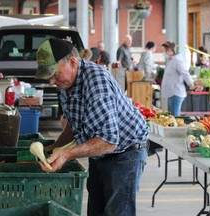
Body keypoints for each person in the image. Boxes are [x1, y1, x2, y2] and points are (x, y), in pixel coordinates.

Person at [36, 38, 149, 216]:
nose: (51, 81)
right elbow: (74, 123)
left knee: (117, 212)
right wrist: (56, 146)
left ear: (72, 62)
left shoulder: (96, 82)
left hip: (125, 153)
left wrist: (67, 154)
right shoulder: (67, 84)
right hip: (99, 153)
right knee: (96, 210)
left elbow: (109, 140)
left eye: (55, 75)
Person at [161, 41, 196, 116]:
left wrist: (191, 83)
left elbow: (184, 72)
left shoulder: (177, 60)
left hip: (175, 92)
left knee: (175, 116)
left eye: (164, 50)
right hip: (171, 92)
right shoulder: (171, 61)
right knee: (171, 116)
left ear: (170, 50)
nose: (164, 53)